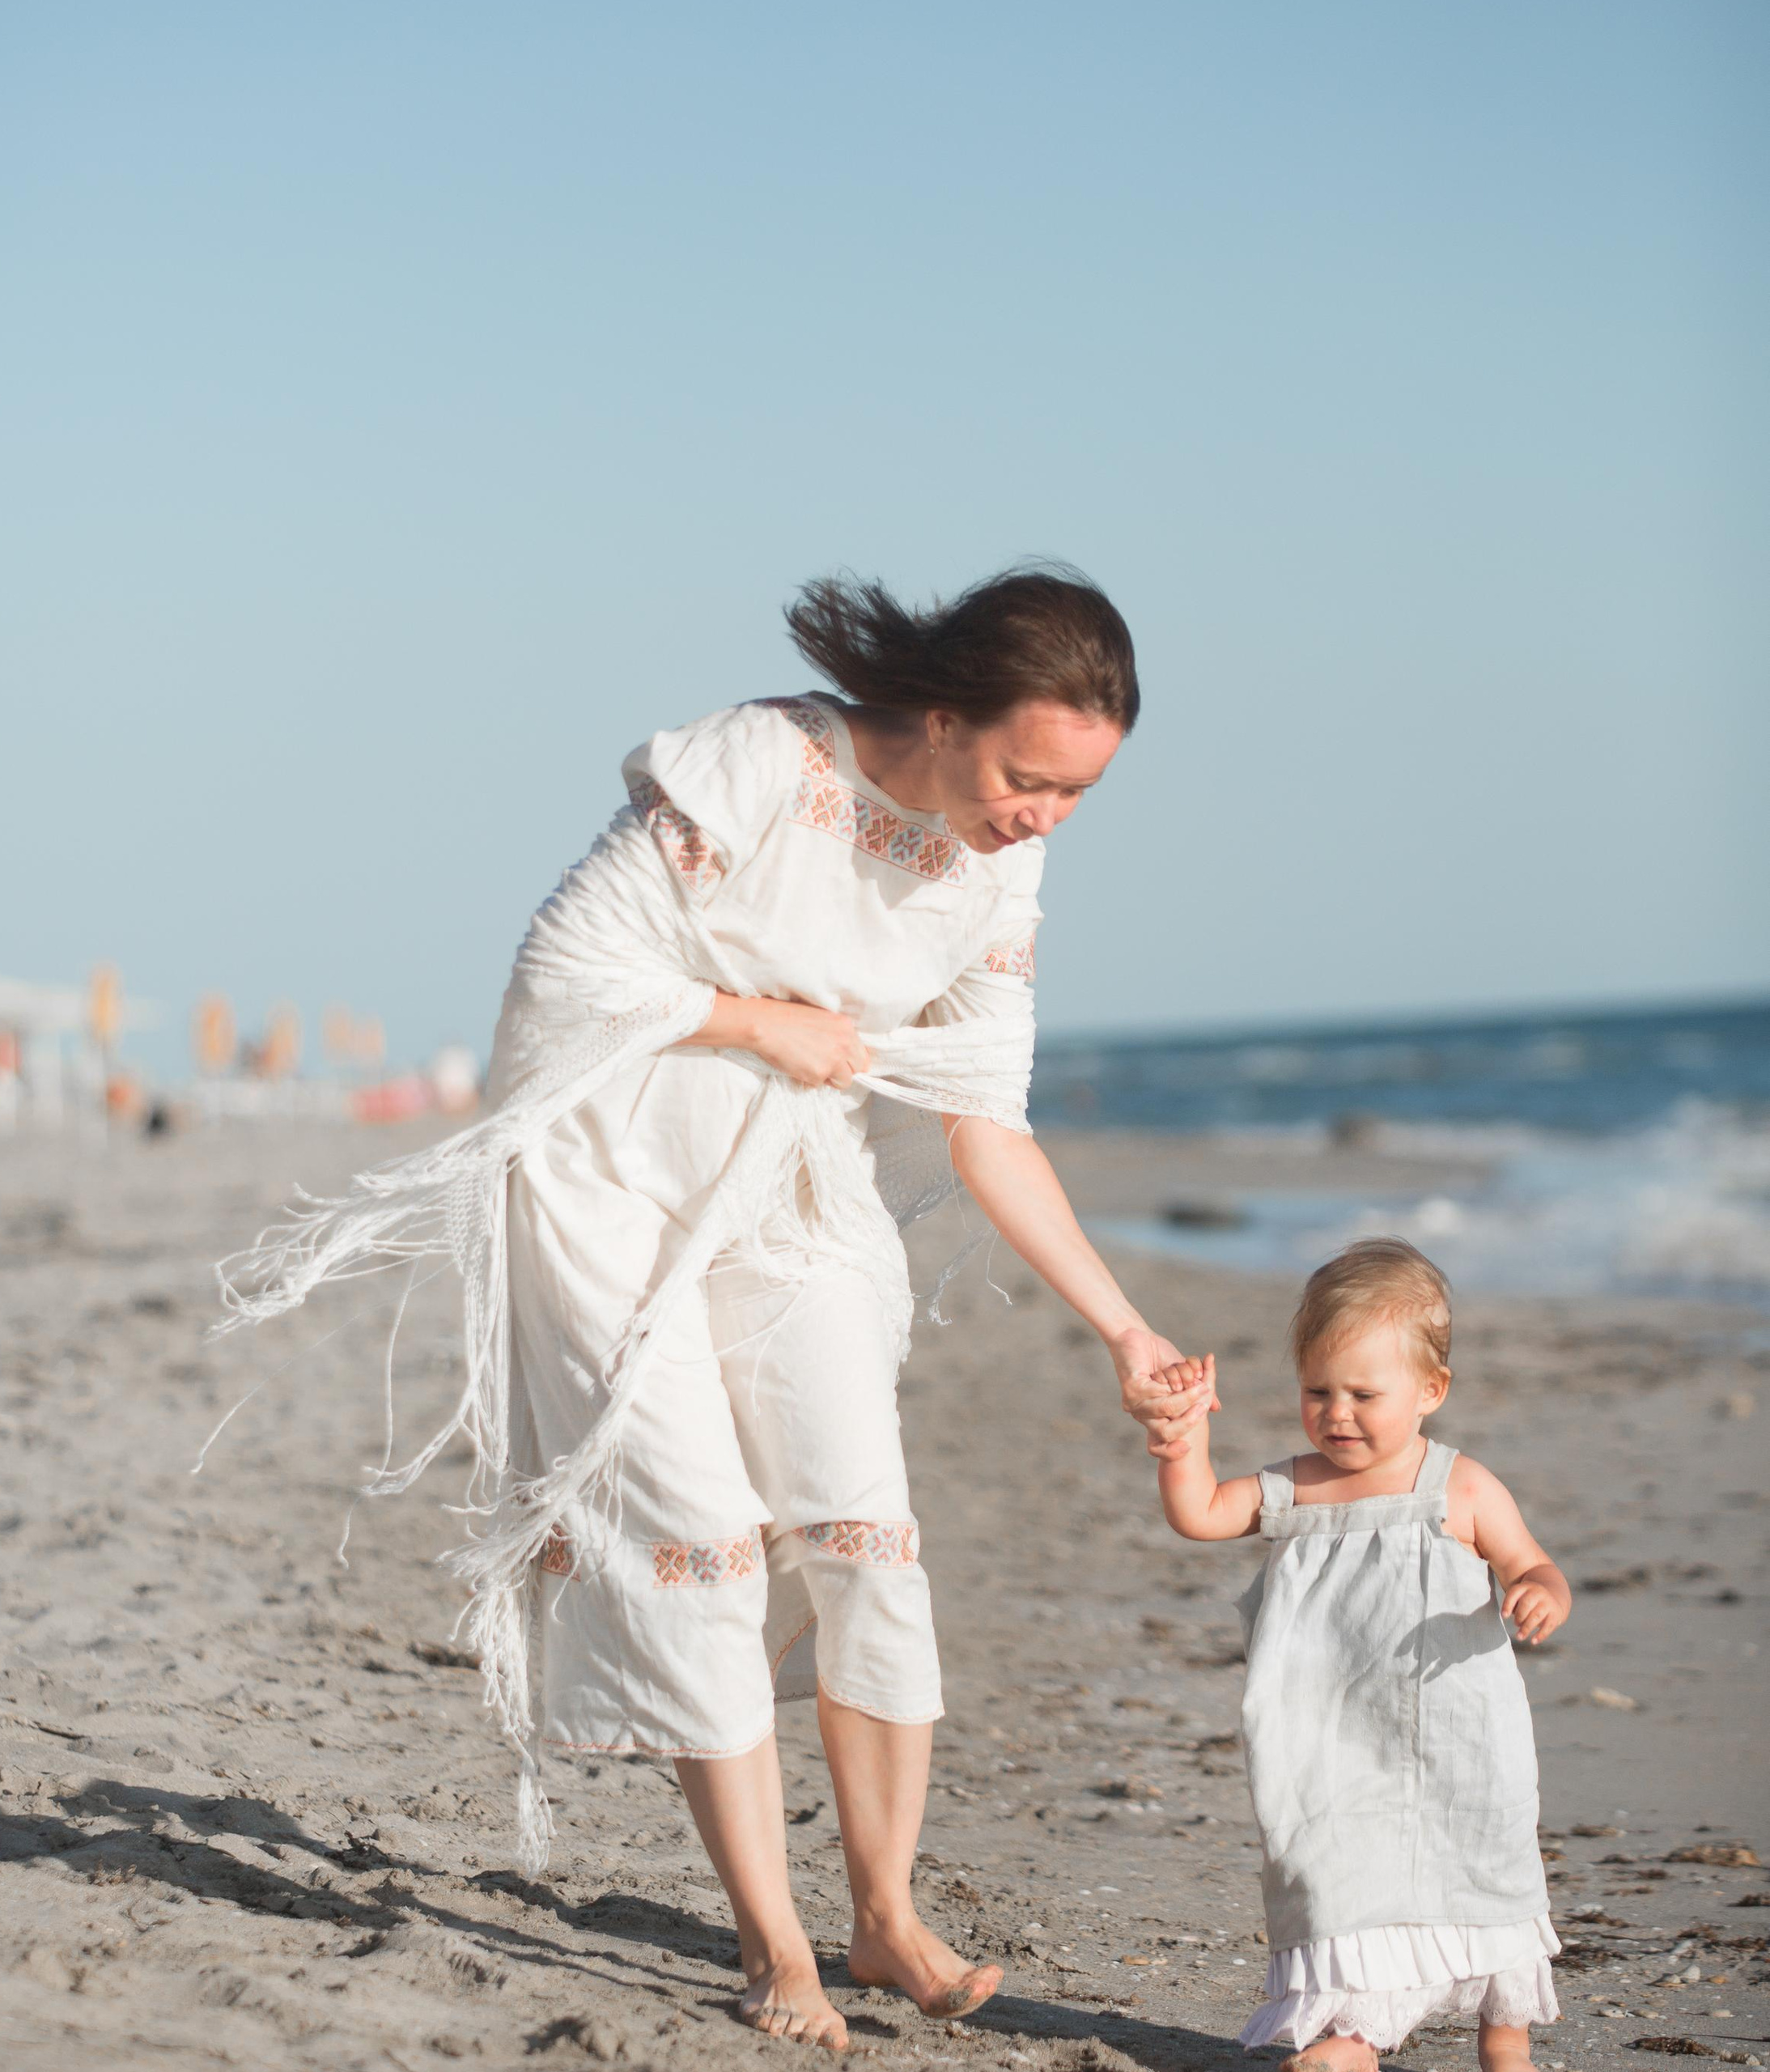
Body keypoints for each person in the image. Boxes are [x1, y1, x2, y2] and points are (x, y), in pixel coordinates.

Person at [218, 566, 1213, 2050]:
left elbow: (986, 1119)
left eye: (1075, 797)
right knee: (696, 1541)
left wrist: (1124, 1327)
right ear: (942, 716)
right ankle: (776, 1949)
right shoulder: (760, 766)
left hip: (787, 1191)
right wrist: (762, 1022)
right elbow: (562, 969)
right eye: (1024, 778)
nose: (1040, 819)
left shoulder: (1000, 873)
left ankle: (884, 1920)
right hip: (608, 1177)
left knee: (865, 1532)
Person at [1152, 1239, 1571, 2072]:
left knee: (1478, 1861)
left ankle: (1505, 2042)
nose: (1337, 1412)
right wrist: (1181, 1439)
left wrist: (1539, 1591)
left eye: (1362, 1393)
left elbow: (1530, 1561)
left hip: (1457, 1738)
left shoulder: (1461, 1486)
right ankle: (1349, 2035)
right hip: (1328, 1742)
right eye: (1317, 1391)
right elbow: (1198, 1512)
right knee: (1335, 1872)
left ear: (1430, 1390)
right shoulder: (1297, 1487)